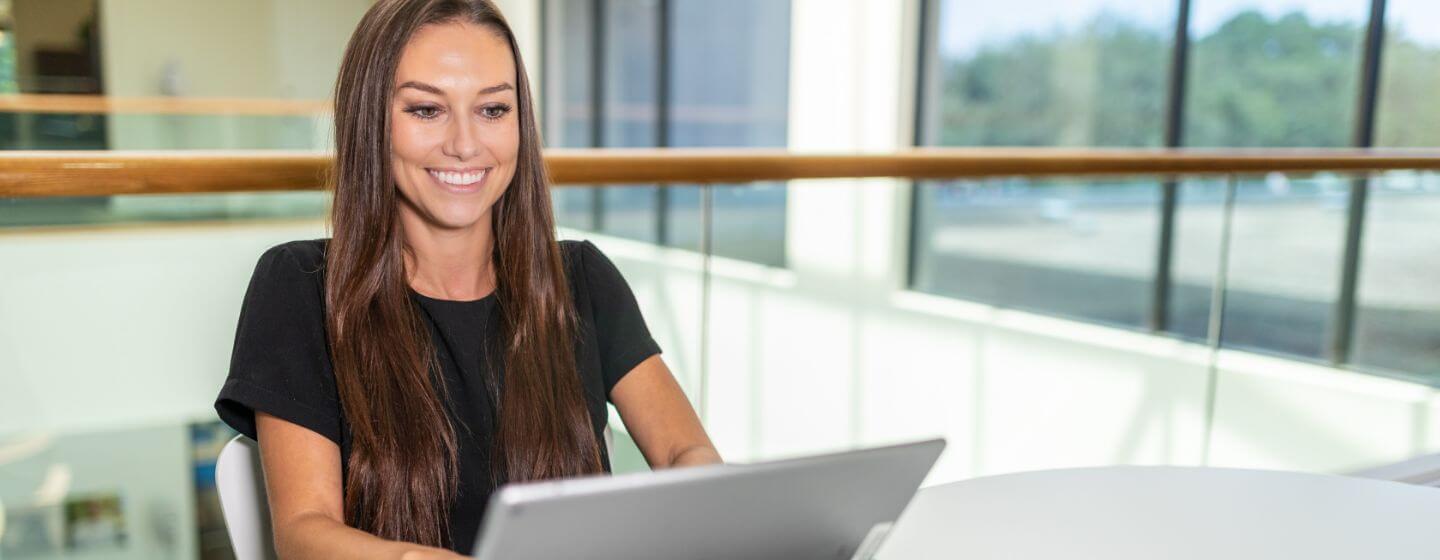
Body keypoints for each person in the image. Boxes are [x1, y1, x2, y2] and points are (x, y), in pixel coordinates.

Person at [212, 1, 721, 558]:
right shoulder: (299, 286)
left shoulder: (581, 278)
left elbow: (685, 452)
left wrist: (711, 500)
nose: (465, 144)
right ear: (370, 119)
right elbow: (305, 532)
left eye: (493, 110)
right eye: (427, 110)